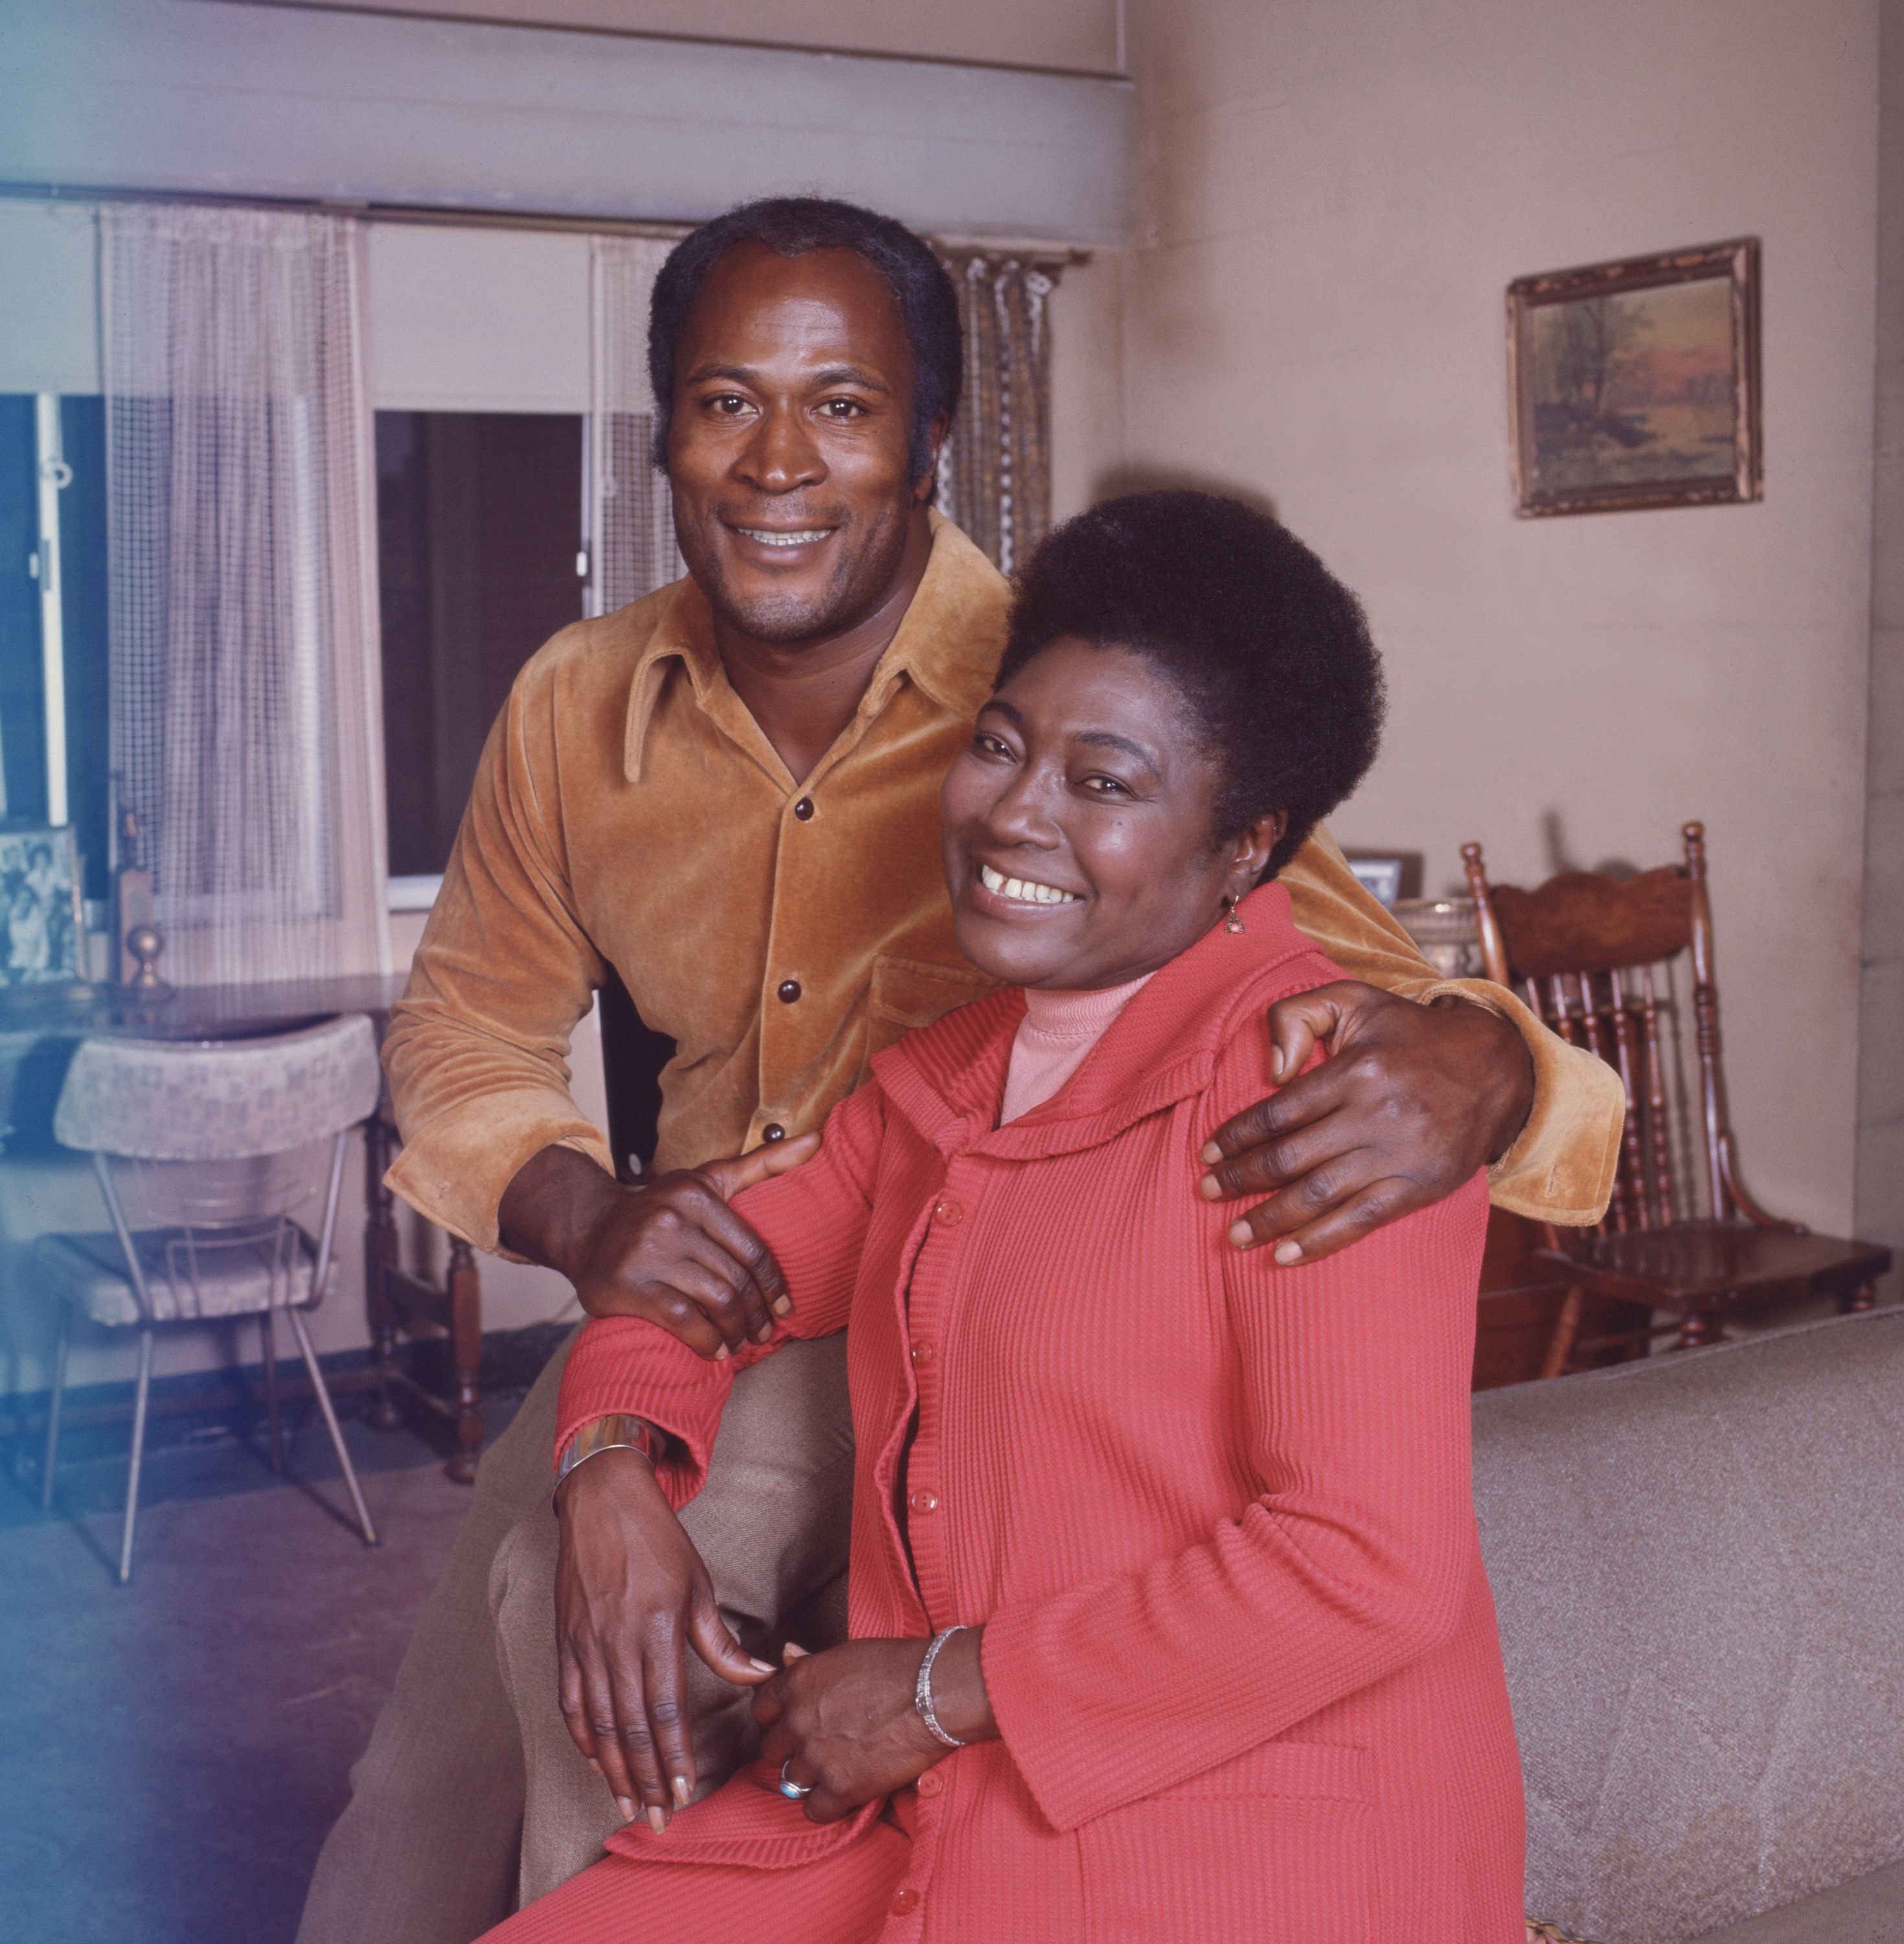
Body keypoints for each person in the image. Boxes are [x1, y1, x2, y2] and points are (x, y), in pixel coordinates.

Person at [296, 198, 1616, 1944]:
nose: (779, 462)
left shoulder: (1088, 680)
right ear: (667, 435)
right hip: (728, 1259)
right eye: (726, 401)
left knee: (585, 1649)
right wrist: (593, 1248)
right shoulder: (583, 701)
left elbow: (1336, 993)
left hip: (991, 1397)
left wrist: (1490, 1064)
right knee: (413, 1796)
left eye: (841, 406)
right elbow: (468, 1031)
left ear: (928, 443)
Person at [485, 490, 1524, 1943]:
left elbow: (1366, 1570)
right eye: (999, 743)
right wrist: (607, 1474)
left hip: (1241, 1851)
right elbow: (690, 1271)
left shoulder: (1334, 1098)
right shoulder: (947, 1080)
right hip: (955, 1800)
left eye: (1104, 781)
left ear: (1246, 845)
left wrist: (930, 1692)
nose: (1012, 810)